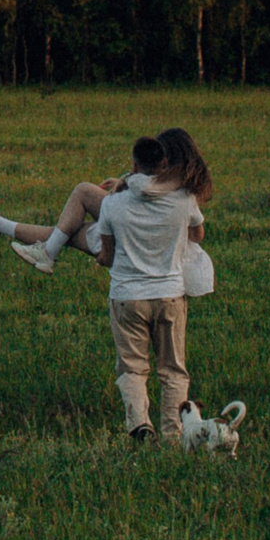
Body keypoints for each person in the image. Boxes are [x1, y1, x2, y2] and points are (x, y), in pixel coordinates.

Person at [0, 128, 211, 284]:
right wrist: (128, 182)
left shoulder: (179, 194)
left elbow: (195, 235)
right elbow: (195, 232)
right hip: (146, 239)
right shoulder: (179, 186)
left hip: (135, 244)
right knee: (71, 218)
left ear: (167, 160)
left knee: (68, 229)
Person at [91, 130, 212, 440]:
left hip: (127, 296)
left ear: (134, 166)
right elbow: (197, 235)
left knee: (132, 368)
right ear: (164, 164)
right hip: (170, 295)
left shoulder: (112, 204)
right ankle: (173, 435)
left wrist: (100, 259)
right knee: (173, 370)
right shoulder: (184, 199)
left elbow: (107, 255)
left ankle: (140, 423)